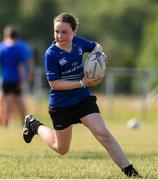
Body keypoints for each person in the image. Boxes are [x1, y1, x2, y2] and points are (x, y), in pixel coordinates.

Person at [22, 12, 141, 178]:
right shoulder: (51, 54)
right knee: (61, 149)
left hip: (83, 99)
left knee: (103, 133)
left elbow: (96, 46)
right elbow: (54, 84)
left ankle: (130, 171)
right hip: (61, 105)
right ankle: (34, 124)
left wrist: (98, 57)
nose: (60, 35)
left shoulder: (78, 43)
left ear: (74, 32)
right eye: (56, 31)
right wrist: (83, 83)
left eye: (64, 32)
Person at [0, 25, 34, 126]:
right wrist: (28, 75)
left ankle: (5, 123)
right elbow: (23, 64)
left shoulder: (2, 47)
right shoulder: (21, 47)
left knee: (5, 101)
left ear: (6, 35)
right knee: (19, 101)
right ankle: (25, 122)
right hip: (18, 78)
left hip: (5, 78)